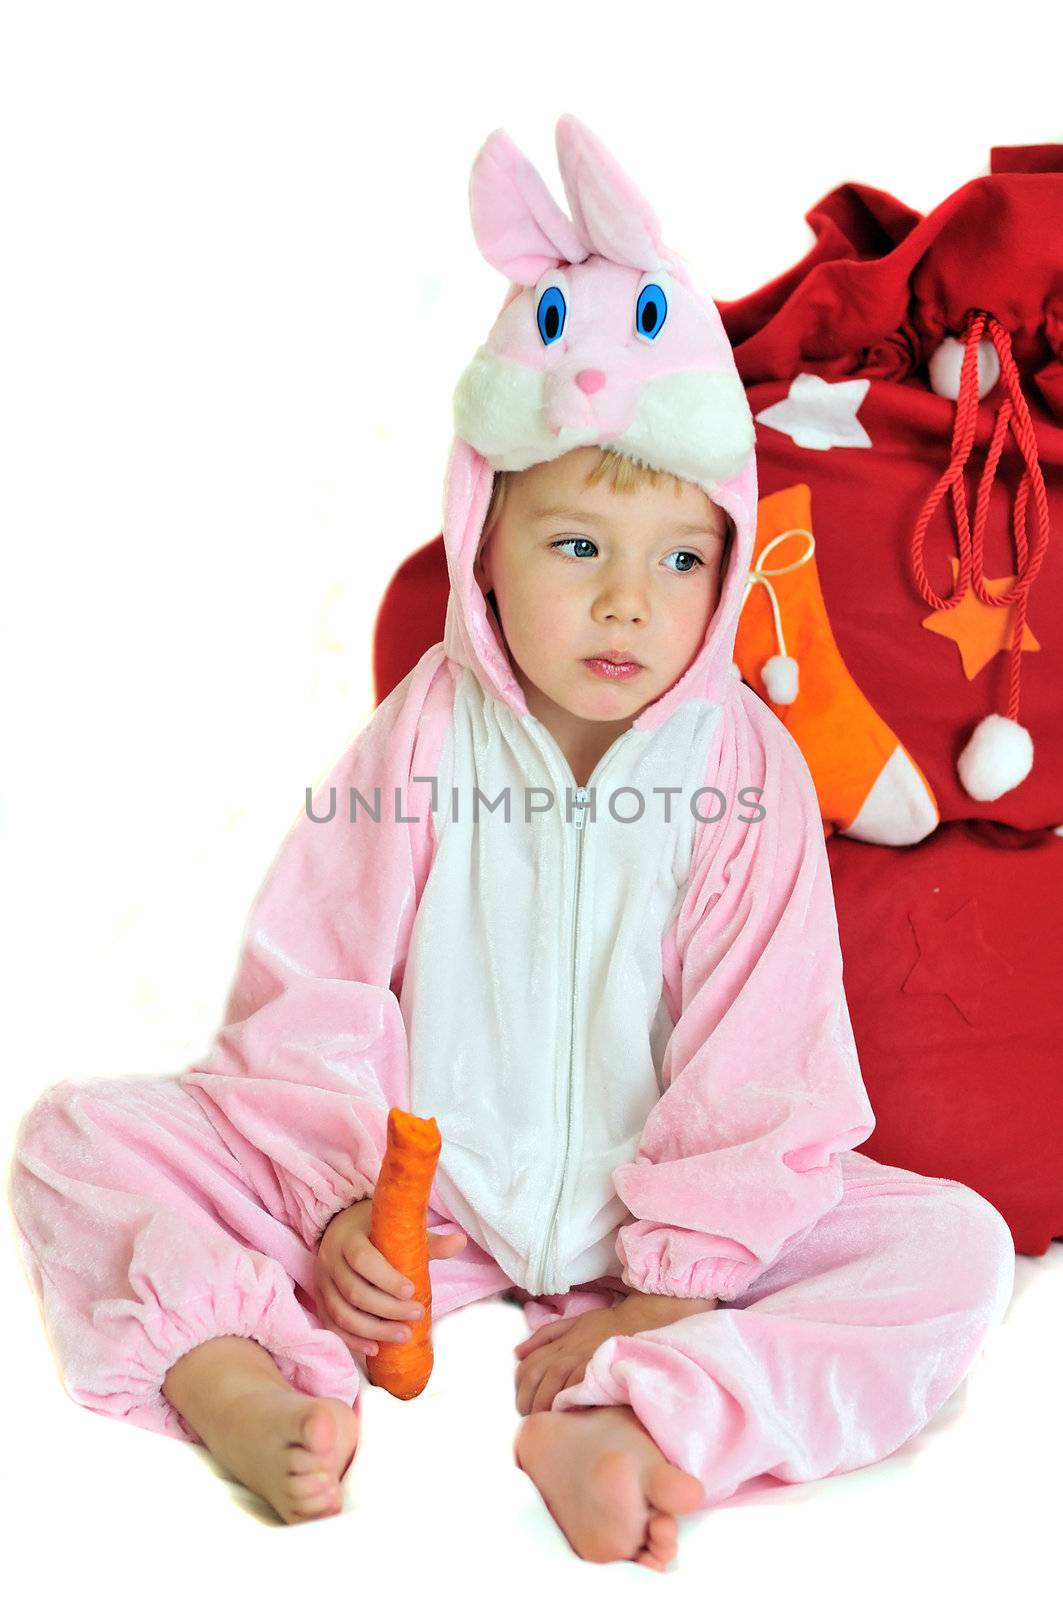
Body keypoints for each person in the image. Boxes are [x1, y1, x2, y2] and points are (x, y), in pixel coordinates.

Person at [7, 114, 1015, 1571]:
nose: (627, 606)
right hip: (442, 1206)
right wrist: (355, 1200)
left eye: (678, 560)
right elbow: (320, 967)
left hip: (662, 1221)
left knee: (953, 1254)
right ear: (484, 541)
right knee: (79, 1138)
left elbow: (764, 1052)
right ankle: (233, 1372)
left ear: (728, 560)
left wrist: (675, 1283)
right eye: (575, 548)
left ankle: (642, 1415)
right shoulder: (426, 732)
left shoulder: (742, 770)